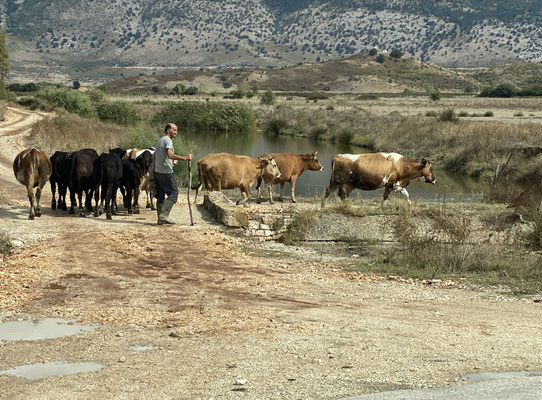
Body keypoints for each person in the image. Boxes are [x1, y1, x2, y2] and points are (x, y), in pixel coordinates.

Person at [154, 123, 192, 225]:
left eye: (176, 130)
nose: (176, 132)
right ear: (168, 131)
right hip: (166, 172)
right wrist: (185, 158)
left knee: (161, 194)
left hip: (158, 171)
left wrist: (170, 162)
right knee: (173, 193)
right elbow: (170, 155)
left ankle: (160, 218)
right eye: (174, 130)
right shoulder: (168, 141)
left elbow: (155, 156)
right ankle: (164, 216)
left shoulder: (160, 140)